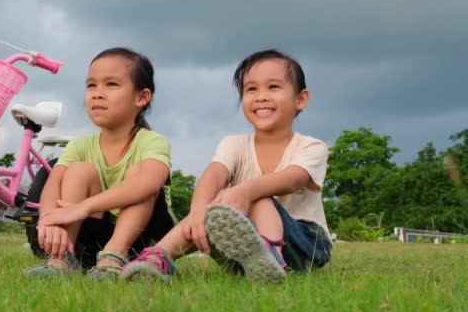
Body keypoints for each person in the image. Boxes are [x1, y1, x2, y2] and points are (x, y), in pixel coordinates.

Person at [121, 49, 332, 283]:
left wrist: (244, 191)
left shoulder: (312, 147)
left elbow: (293, 178)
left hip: (306, 244)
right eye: (251, 89)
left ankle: (271, 257)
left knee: (257, 194)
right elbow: (213, 175)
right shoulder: (233, 144)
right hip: (244, 242)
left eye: (273, 87)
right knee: (210, 210)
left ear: (300, 99)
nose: (261, 96)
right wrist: (198, 212)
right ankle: (156, 259)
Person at [27, 47, 176, 279]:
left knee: (139, 178)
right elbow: (52, 185)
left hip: (142, 240)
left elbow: (149, 183)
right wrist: (50, 220)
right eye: (91, 85)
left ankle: (113, 257)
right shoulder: (80, 146)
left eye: (111, 85)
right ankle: (61, 260)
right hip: (90, 239)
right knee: (78, 171)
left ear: (141, 97)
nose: (97, 93)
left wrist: (83, 207)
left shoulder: (153, 142)